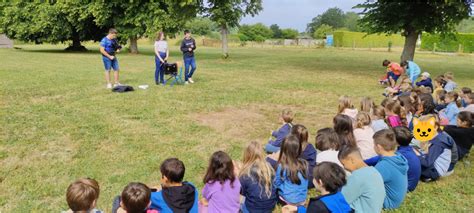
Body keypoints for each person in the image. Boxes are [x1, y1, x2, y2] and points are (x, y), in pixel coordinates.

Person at [282, 162, 353, 213]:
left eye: (314, 177)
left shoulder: (318, 205)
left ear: (320, 182)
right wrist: (298, 209)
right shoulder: (339, 196)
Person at [338, 146, 385, 213]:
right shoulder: (374, 171)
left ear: (352, 160)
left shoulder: (357, 176)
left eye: (344, 164)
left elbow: (342, 200)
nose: (344, 167)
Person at [414, 115, 458, 181]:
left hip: (434, 172)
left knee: (413, 162)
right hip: (435, 166)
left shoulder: (438, 143)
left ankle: (426, 177)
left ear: (435, 127)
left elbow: (427, 163)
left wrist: (416, 154)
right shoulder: (437, 136)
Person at [372, 129, 408, 209]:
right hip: (396, 201)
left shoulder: (384, 166)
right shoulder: (398, 157)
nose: (373, 147)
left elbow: (369, 183)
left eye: (374, 145)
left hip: (388, 203)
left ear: (379, 147)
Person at [239, 141, 277, 213]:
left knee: (239, 200)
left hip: (252, 210)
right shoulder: (269, 168)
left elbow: (242, 192)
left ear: (247, 155)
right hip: (270, 207)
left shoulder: (245, 174)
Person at [274, 135, 308, 206]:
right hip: (302, 200)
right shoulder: (304, 163)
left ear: (283, 149)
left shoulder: (282, 165)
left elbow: (277, 183)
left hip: (289, 201)